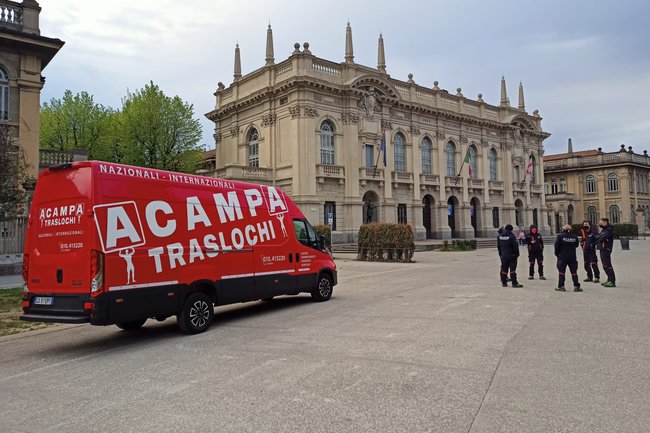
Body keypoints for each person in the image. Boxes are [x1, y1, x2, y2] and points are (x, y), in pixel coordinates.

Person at [554, 224, 581, 292]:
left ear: (563, 230)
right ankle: (576, 286)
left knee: (561, 272)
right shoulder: (574, 237)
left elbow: (556, 246)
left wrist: (557, 254)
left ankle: (561, 286)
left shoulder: (560, 236)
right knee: (574, 272)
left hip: (562, 256)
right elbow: (577, 245)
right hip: (572, 256)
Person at [597, 217, 616, 287]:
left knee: (608, 265)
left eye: (601, 223)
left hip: (606, 249)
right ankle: (609, 279)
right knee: (604, 265)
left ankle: (612, 281)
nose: (600, 224)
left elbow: (602, 238)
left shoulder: (609, 230)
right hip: (602, 249)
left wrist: (601, 238)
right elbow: (599, 237)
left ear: (605, 222)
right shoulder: (604, 230)